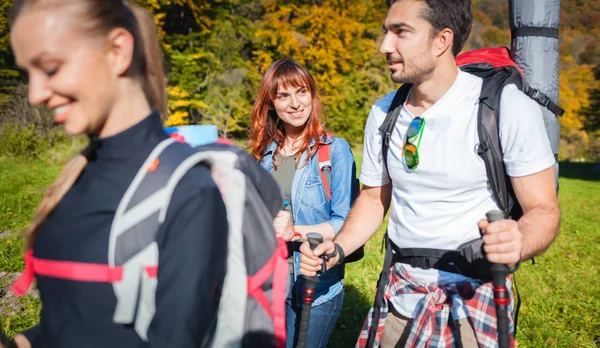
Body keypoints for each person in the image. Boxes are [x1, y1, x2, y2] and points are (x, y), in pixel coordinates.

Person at [299, 0, 561, 347]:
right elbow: (375, 198)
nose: (385, 46)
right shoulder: (383, 112)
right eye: (386, 32)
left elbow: (544, 209)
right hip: (400, 293)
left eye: (401, 33)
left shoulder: (506, 106)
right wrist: (338, 247)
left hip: (476, 294)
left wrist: (519, 240)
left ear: (442, 40)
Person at [4, 0, 228, 347]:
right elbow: (69, 323)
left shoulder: (186, 190)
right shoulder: (74, 180)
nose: (34, 95)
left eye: (49, 68)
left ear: (118, 51)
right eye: (26, 74)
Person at [248, 59, 358, 348]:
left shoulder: (335, 152)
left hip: (315, 283)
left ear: (312, 95)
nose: (295, 103)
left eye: (301, 92)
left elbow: (345, 223)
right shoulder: (263, 155)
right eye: (283, 95)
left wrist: (294, 231)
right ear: (271, 103)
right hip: (268, 283)